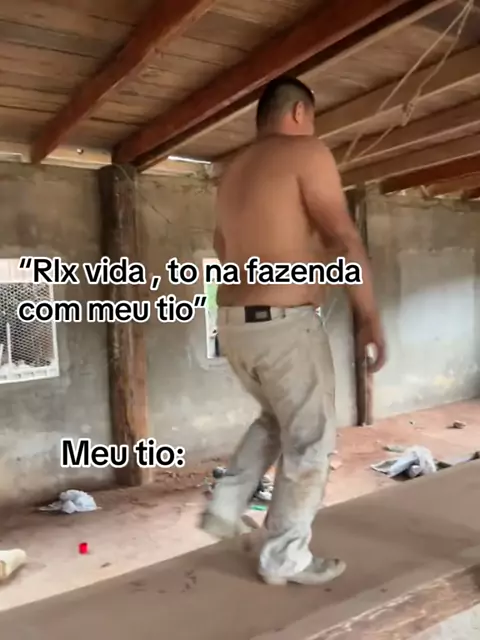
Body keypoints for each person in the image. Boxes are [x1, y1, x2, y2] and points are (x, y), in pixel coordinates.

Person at [199, 76, 387, 586]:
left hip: (235, 326)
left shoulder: (233, 173)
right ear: (300, 113)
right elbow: (344, 239)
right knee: (311, 440)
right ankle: (284, 557)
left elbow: (225, 248)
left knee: (275, 419)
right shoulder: (307, 152)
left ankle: (226, 504)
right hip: (283, 327)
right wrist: (369, 317)